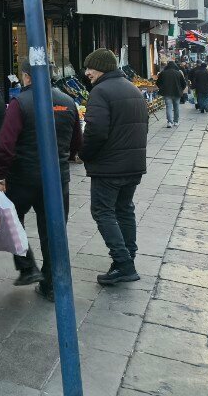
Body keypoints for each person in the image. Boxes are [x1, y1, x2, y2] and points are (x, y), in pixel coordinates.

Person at [0, 59, 82, 302]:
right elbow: (76, 142)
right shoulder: (67, 102)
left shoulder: (19, 103)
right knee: (53, 230)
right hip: (57, 180)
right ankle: (52, 284)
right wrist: (66, 156)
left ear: (27, 77)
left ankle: (27, 265)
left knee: (11, 220)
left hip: (23, 178)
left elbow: (5, 145)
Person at [81, 49, 149, 285]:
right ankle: (128, 258)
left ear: (101, 68)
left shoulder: (100, 91)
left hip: (110, 167)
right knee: (124, 210)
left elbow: (95, 131)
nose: (87, 72)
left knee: (103, 211)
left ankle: (123, 263)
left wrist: (83, 153)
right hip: (133, 165)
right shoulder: (132, 89)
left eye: (90, 67)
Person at [155, 61, 188, 128]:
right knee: (176, 107)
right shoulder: (178, 73)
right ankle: (176, 121)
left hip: (167, 93)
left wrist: (162, 88)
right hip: (177, 93)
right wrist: (180, 89)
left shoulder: (163, 73)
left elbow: (158, 83)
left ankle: (169, 122)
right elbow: (184, 84)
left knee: (168, 107)